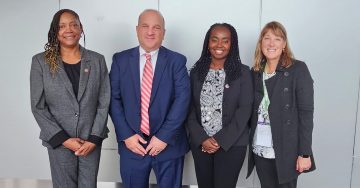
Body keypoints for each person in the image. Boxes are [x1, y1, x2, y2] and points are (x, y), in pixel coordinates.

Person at [109, 9, 190, 188]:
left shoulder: (177, 61)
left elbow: (182, 100)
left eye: (157, 27)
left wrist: (163, 137)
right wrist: (127, 136)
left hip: (169, 145)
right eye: (145, 26)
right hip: (132, 145)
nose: (150, 32)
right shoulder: (120, 60)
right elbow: (113, 100)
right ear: (137, 29)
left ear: (163, 33)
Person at [30, 9, 110, 188]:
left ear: (81, 29)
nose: (69, 30)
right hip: (60, 142)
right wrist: (64, 140)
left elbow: (104, 101)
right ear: (55, 32)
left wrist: (94, 138)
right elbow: (38, 107)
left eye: (74, 24)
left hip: (90, 141)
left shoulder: (97, 60)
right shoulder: (40, 62)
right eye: (62, 26)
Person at [246, 21, 316, 188]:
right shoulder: (255, 72)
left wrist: (304, 153)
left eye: (277, 39)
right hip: (260, 147)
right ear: (261, 43)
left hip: (286, 150)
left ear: (284, 44)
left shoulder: (298, 69)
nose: (271, 43)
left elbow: (306, 113)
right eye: (267, 38)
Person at [186, 23, 253, 188]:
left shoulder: (243, 73)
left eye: (225, 41)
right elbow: (190, 109)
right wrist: (202, 138)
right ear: (208, 44)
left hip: (231, 145)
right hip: (202, 145)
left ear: (232, 44)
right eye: (214, 40)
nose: (219, 45)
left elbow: (244, 110)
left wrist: (218, 140)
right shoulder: (196, 72)